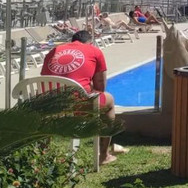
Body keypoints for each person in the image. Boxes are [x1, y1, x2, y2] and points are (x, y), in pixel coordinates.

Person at [42, 30, 125, 165]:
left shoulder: (53, 51)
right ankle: (104, 155)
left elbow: (46, 78)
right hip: (78, 106)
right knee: (109, 100)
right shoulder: (94, 51)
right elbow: (100, 87)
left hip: (51, 107)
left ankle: (42, 155)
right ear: (90, 43)